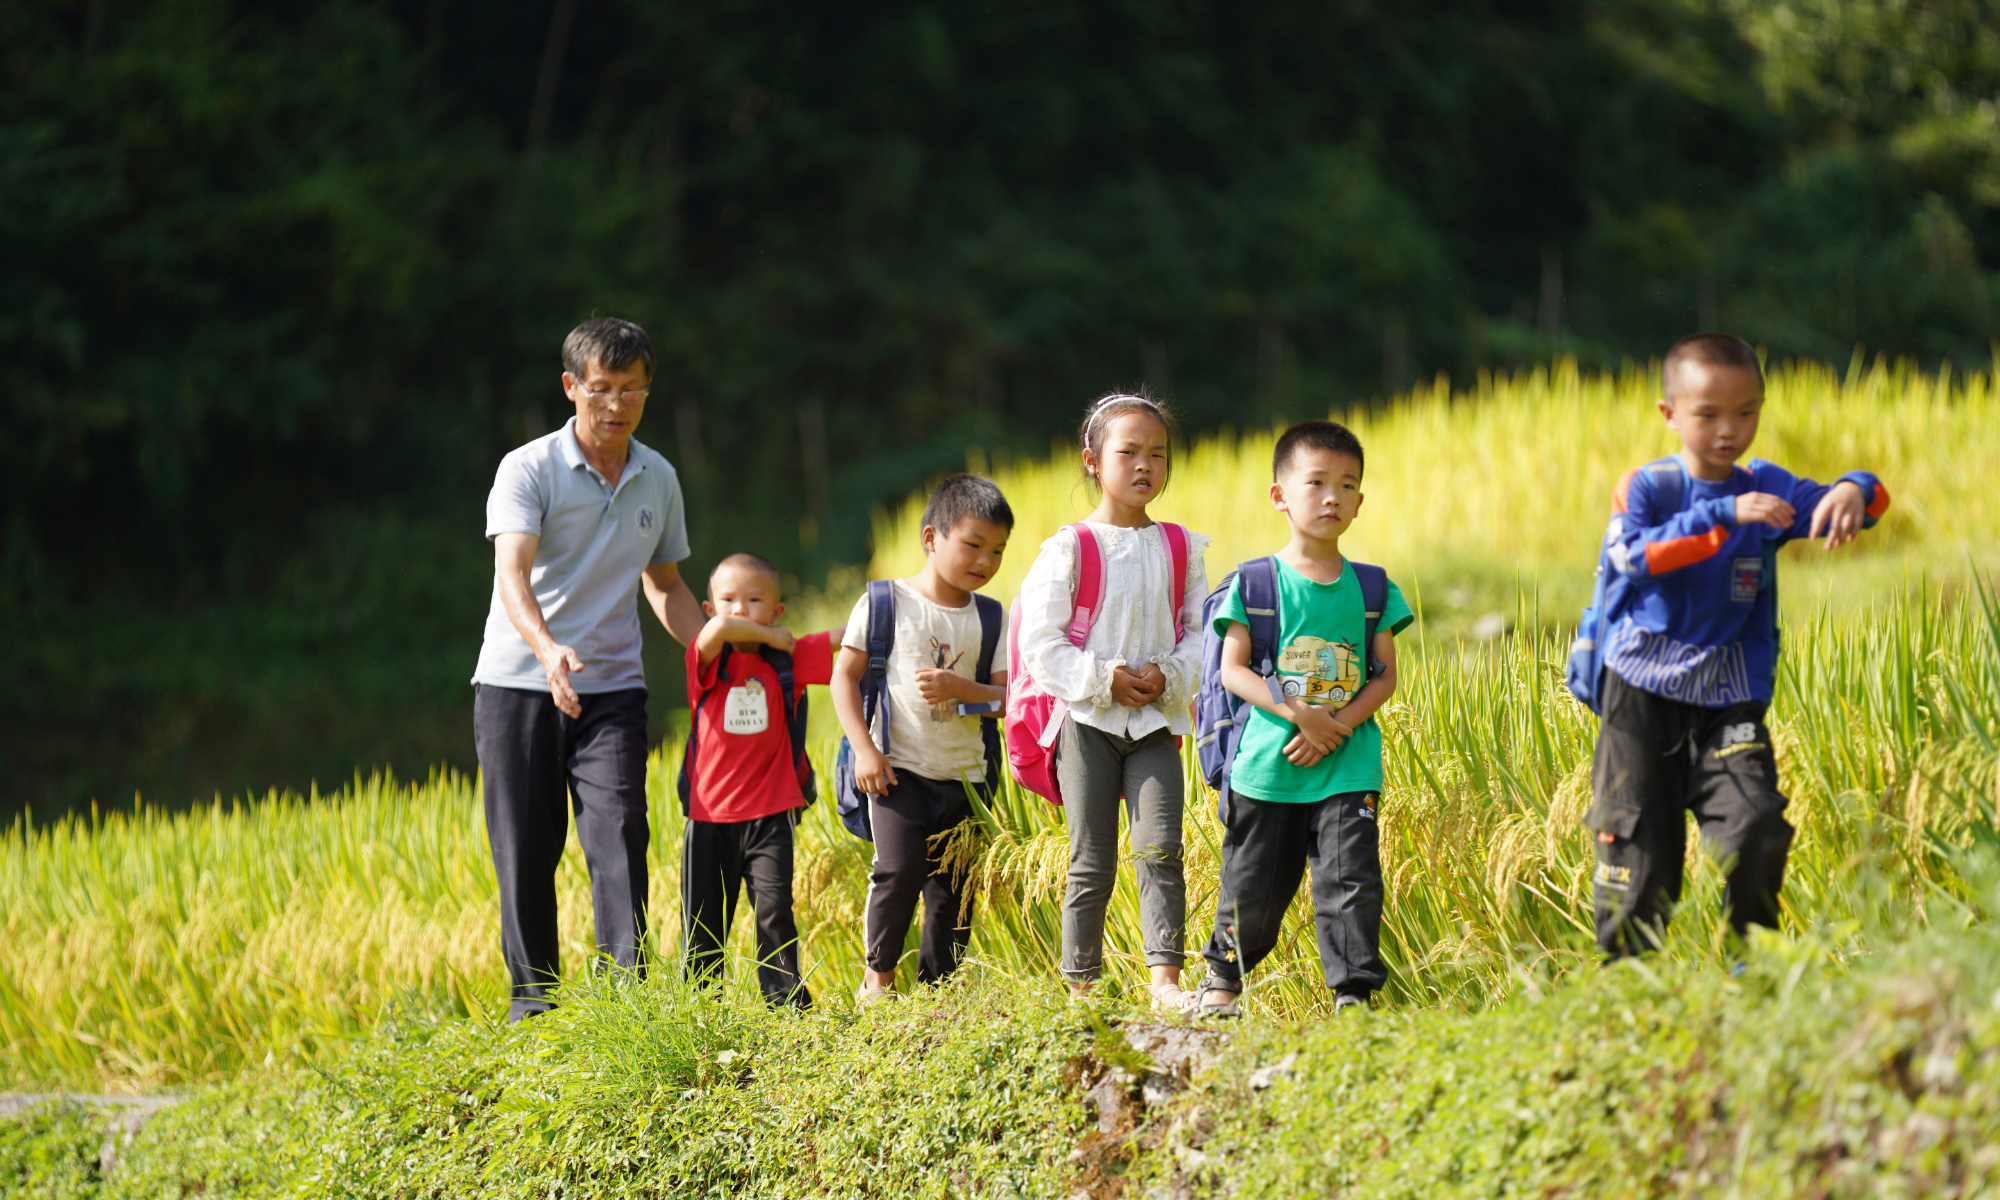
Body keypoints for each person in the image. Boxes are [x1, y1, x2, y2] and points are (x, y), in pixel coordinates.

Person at [1579, 332, 1890, 958]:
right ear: (1669, 415)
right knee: (1639, 858)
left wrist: (1852, 489)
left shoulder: (1766, 484)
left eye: (1747, 412)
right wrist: (1723, 516)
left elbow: (1868, 500)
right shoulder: (1646, 487)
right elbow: (1632, 557)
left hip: (1730, 700)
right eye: (1709, 414)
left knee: (1756, 826)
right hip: (1639, 697)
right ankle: (1623, 995)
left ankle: (1750, 965)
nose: (1730, 429)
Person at [471, 317, 704, 1021]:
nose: (616, 405)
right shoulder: (528, 468)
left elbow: (664, 585)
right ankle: (534, 1006)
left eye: (632, 391)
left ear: (647, 392)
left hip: (611, 685)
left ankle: (623, 1002)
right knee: (525, 846)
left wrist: (714, 657)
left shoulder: (657, 477)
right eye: (601, 389)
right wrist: (548, 652)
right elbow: (511, 574)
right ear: (571, 387)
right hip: (518, 683)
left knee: (622, 830)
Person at [1194, 420, 1413, 1018]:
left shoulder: (1373, 588)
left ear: (1360, 502)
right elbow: (1233, 671)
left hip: (1349, 765)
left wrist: (1333, 725)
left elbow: (1385, 675)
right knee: (1254, 884)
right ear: (1279, 495)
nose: (1331, 497)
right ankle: (1221, 986)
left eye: (1346, 485)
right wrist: (1300, 715)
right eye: (1315, 482)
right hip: (1268, 765)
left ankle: (1353, 997)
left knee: (1351, 882)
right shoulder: (1256, 582)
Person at [1016, 394, 1210, 1012]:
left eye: (1158, 454)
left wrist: (1169, 675)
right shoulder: (1068, 547)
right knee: (1090, 858)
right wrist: (1103, 679)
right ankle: (1082, 986)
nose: (1144, 465)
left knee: (1159, 847)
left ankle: (1165, 983)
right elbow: (1039, 642)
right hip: (1086, 721)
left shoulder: (1182, 547)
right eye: (1128, 452)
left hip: (1155, 721)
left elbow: (1201, 633)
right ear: (1093, 461)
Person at [831, 475, 1012, 1004]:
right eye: (973, 545)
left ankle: (940, 998)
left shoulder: (991, 618)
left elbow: (1005, 702)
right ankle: (878, 983)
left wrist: (962, 688)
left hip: (968, 777)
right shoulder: (885, 603)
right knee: (897, 871)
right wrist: (865, 749)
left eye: (997, 550)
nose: (985, 561)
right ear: (932, 538)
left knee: (954, 891)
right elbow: (845, 677)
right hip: (897, 770)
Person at [680, 553, 836, 1008]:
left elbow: (846, 638)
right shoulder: (707, 659)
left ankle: (786, 1006)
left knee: (774, 912)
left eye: (754, 599)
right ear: (709, 607)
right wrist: (771, 636)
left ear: (777, 609)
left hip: (771, 813)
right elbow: (718, 632)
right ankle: (701, 1008)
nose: (739, 610)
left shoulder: (786, 661)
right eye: (727, 599)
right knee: (704, 918)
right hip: (709, 815)